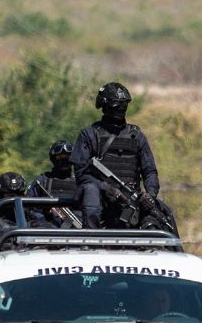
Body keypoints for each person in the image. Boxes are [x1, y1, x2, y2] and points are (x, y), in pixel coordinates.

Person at [71, 82, 160, 229]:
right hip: (100, 199)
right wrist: (106, 188)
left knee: (158, 220)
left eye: (123, 105)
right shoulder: (90, 134)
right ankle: (90, 239)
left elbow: (149, 171)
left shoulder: (136, 136)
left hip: (130, 200)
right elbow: (81, 173)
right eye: (116, 105)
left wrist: (150, 194)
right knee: (90, 190)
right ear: (104, 106)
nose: (120, 109)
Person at [27, 140, 81, 228]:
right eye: (60, 156)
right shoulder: (42, 181)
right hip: (47, 231)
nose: (64, 159)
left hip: (76, 232)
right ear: (53, 158)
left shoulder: (81, 182)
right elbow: (28, 209)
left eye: (67, 156)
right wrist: (45, 213)